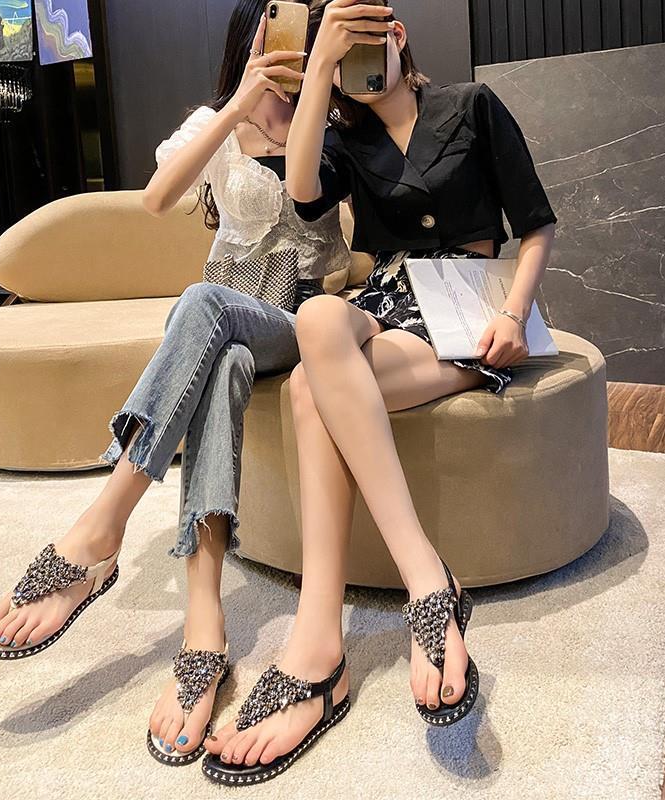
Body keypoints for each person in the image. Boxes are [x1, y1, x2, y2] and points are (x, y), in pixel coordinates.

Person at [0, 0, 350, 768]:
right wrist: (236, 107)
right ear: (249, 41)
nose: (288, 51)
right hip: (223, 321)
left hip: (294, 317)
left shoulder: (331, 121)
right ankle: (203, 629)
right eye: (274, 34)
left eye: (302, 40)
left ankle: (104, 524)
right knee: (221, 353)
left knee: (202, 305)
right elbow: (155, 197)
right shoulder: (217, 121)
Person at [203, 0, 557, 784]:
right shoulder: (345, 139)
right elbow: (302, 190)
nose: (357, 72)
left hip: (469, 310)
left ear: (397, 36)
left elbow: (536, 224)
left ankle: (316, 647)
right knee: (319, 318)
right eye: (342, 61)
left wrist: (513, 313)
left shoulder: (471, 105)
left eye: (364, 49)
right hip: (388, 308)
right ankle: (427, 579)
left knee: (309, 389)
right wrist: (320, 68)